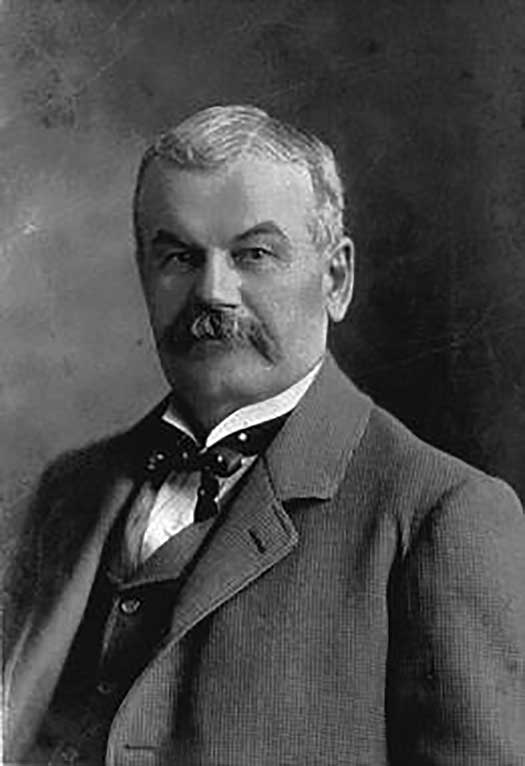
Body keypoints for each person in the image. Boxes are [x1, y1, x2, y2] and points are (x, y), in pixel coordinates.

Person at [4, 105, 525, 765]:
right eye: (178, 257)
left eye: (253, 254)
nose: (212, 292)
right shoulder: (67, 491)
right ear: (143, 272)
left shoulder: (440, 513)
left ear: (335, 279)